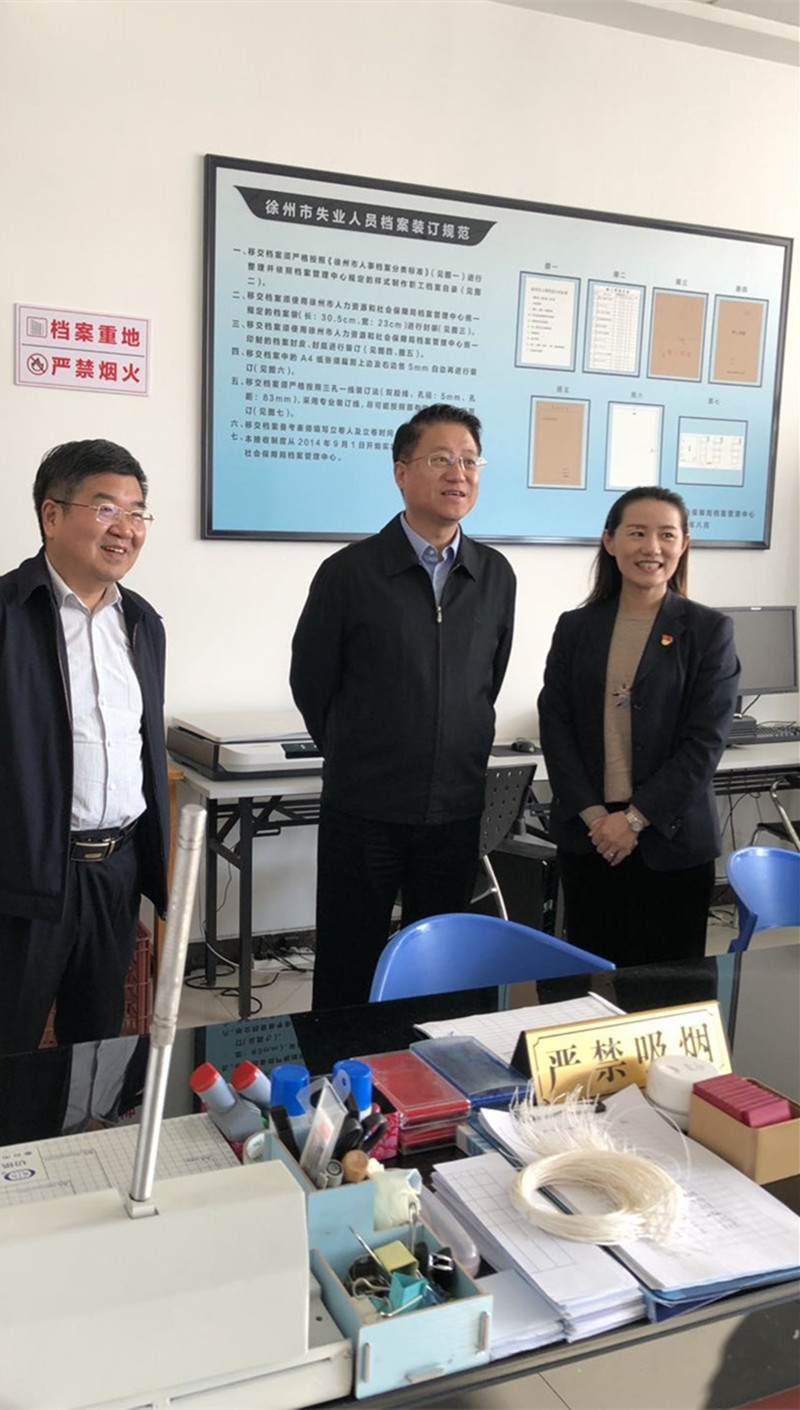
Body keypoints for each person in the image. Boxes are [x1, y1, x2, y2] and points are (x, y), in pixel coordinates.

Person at [290, 403, 516, 1008]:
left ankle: (432, 1068)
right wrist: (360, 752)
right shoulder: (349, 572)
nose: (458, 473)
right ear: (400, 471)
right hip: (365, 808)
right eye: (441, 458)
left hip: (454, 809)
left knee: (441, 972)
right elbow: (311, 681)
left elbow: (486, 683)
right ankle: (340, 1067)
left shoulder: (495, 575)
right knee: (349, 965)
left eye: (470, 460)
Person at [0, 440, 169, 1056]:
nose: (126, 528)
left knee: (98, 1044)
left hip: (115, 871)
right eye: (106, 509)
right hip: (24, 876)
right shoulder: (9, 613)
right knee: (11, 1046)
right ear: (51, 515)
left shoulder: (143, 623)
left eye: (138, 512)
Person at [538, 486, 739, 968]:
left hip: (670, 841)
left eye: (666, 535)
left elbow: (705, 743)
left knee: (670, 991)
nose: (652, 547)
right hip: (591, 842)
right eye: (637, 533)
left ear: (684, 544)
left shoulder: (709, 631)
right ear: (609, 541)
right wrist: (597, 819)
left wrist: (632, 820)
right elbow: (556, 727)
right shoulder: (575, 627)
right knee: (588, 986)